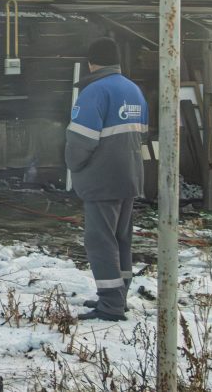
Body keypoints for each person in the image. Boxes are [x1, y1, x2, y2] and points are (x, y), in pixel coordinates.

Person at [64, 37, 148, 321]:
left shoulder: (94, 92)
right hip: (130, 178)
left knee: (100, 242)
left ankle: (110, 305)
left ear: (91, 63)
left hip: (102, 181)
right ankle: (119, 296)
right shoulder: (134, 90)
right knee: (122, 239)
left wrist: (74, 166)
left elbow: (80, 142)